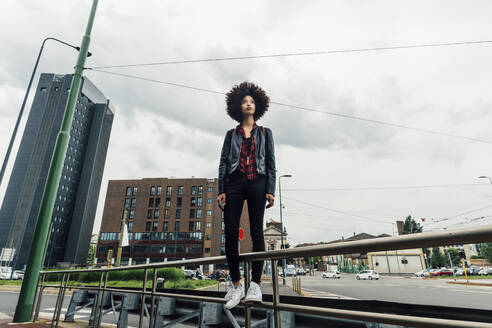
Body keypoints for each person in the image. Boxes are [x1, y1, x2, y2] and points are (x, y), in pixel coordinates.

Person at [217, 82, 276, 309]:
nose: (248, 104)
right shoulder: (231, 134)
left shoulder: (265, 133)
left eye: (251, 101)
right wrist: (222, 189)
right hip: (234, 181)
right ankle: (236, 283)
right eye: (244, 102)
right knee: (230, 231)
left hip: (258, 181)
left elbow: (271, 162)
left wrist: (270, 188)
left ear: (257, 105)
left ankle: (255, 285)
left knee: (256, 230)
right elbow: (223, 162)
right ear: (238, 107)